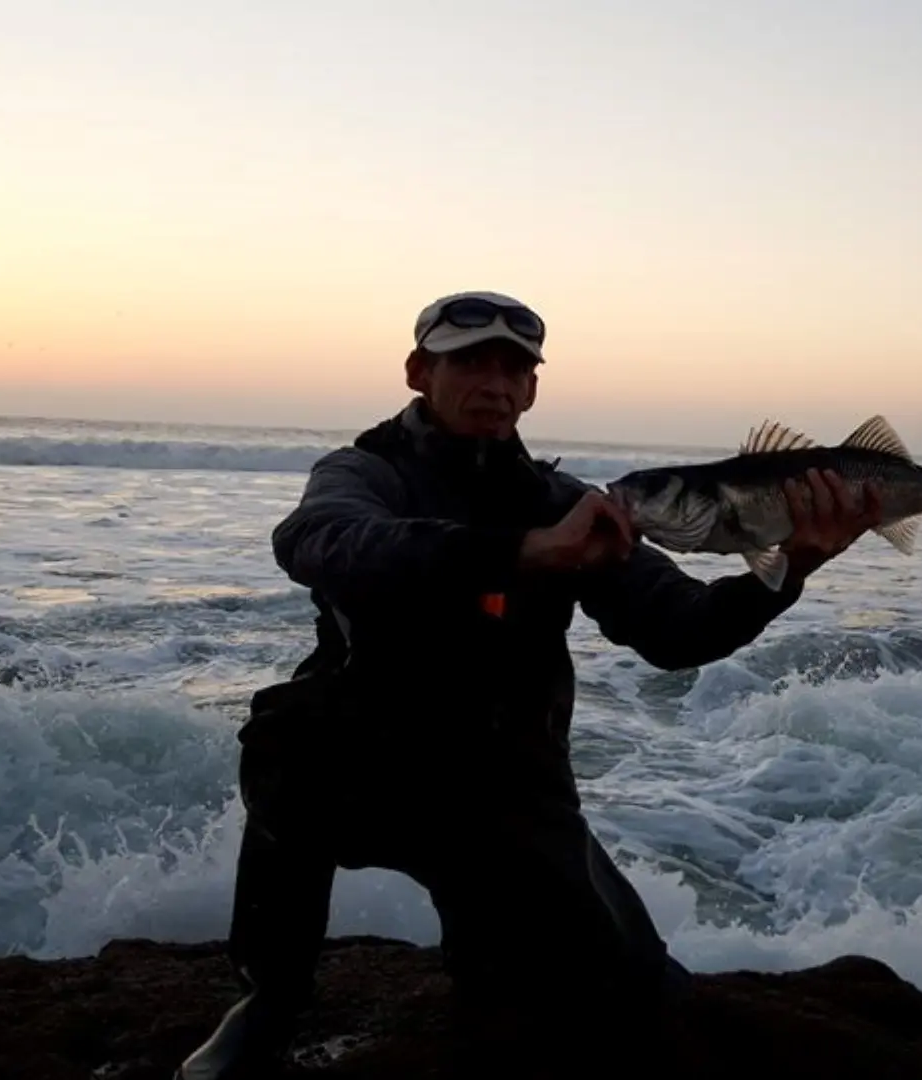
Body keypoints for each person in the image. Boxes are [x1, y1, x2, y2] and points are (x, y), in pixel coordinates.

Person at [175, 290, 880, 1079]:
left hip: (510, 784)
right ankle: (271, 994)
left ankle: (490, 964)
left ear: (534, 389)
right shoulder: (362, 472)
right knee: (287, 743)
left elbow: (679, 629)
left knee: (635, 994)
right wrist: (521, 554)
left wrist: (789, 572)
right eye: (469, 362)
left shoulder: (570, 503)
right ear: (418, 372)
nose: (495, 382)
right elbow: (318, 541)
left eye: (516, 368)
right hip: (365, 765)